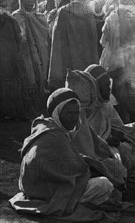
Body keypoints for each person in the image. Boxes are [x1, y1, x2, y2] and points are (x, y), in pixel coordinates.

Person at [9, 88, 115, 221]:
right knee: (104, 185)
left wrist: (85, 163)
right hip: (47, 194)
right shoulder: (55, 136)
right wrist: (88, 167)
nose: (74, 118)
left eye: (76, 113)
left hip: (33, 189)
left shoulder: (45, 127)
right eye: (69, 113)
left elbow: (63, 162)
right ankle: (71, 204)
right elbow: (74, 170)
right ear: (57, 113)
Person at [85, 64, 135, 178]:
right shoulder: (86, 108)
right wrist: (107, 138)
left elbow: (119, 126)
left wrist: (118, 134)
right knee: (122, 150)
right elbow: (87, 138)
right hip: (98, 149)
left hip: (112, 138)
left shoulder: (105, 104)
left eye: (108, 84)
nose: (109, 88)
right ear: (94, 87)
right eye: (104, 85)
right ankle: (131, 172)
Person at [99, 0, 135, 121]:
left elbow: (103, 41)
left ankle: (124, 123)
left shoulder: (112, 18)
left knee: (119, 100)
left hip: (116, 67)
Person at [48, 0, 99, 91]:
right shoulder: (89, 13)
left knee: (69, 87)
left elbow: (57, 38)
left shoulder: (63, 11)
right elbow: (93, 39)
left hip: (67, 57)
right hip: (86, 57)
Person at [12, 0, 50, 113]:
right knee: (28, 79)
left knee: (42, 78)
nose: (30, 5)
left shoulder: (40, 17)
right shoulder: (16, 17)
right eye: (27, 3)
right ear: (21, 2)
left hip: (40, 54)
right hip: (25, 55)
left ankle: (42, 107)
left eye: (32, 3)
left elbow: (46, 34)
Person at [1, 0, 33, 119]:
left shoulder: (10, 19)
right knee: (12, 85)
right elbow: (21, 40)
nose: (11, 1)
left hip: (7, 58)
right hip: (11, 59)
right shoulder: (10, 19)